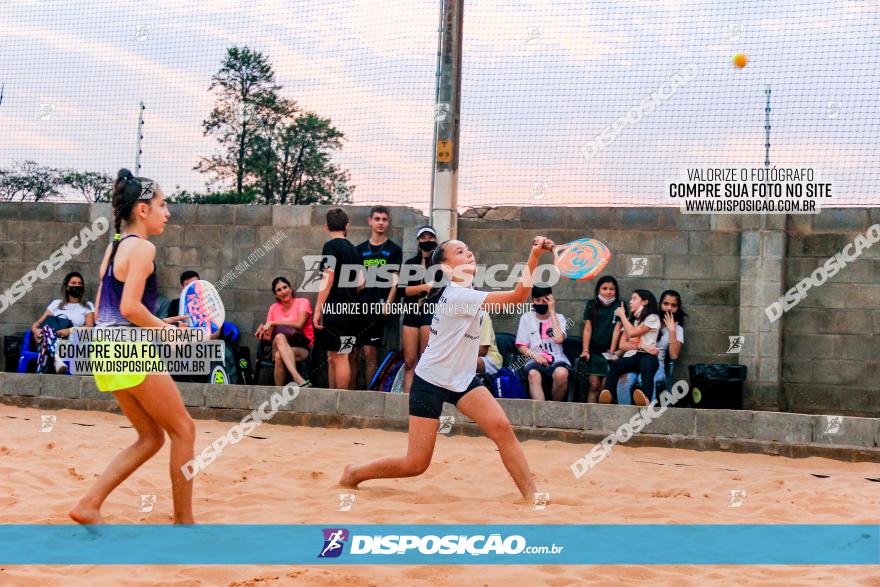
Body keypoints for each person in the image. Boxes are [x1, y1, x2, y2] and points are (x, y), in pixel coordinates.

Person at [339, 236, 554, 501]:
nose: (469, 253)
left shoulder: (468, 291)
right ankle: (355, 472)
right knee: (415, 464)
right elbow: (517, 297)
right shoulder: (458, 295)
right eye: (460, 252)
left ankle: (532, 495)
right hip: (430, 381)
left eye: (468, 249)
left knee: (502, 428)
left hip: (463, 380)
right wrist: (534, 256)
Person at [69, 169, 196, 525]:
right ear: (142, 209)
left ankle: (89, 504)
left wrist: (156, 323)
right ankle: (185, 523)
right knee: (184, 430)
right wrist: (163, 330)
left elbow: (108, 306)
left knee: (151, 437)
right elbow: (128, 308)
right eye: (162, 204)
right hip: (127, 348)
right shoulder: (142, 246)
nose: (167, 212)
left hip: (105, 347)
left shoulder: (114, 247)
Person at [350, 206, 402, 388]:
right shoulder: (359, 249)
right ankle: (350, 394)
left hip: (377, 307)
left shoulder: (394, 250)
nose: (381, 222)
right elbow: (357, 281)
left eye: (384, 219)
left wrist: (388, 303)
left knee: (370, 352)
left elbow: (395, 279)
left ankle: (369, 394)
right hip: (358, 309)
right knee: (351, 352)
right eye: (377, 219)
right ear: (370, 221)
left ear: (388, 223)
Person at [312, 208, 364, 390]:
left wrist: (318, 308)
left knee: (339, 355)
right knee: (336, 355)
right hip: (351, 309)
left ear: (326, 226)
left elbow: (329, 277)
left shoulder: (330, 247)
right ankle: (334, 399)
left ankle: (340, 402)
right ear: (346, 226)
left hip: (335, 308)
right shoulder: (354, 250)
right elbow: (361, 284)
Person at [617, 289, 686, 400]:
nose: (669, 308)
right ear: (660, 305)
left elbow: (674, 356)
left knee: (644, 379)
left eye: (674, 305)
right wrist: (616, 354)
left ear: (678, 308)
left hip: (657, 364)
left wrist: (672, 330)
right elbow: (631, 340)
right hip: (637, 359)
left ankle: (648, 412)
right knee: (624, 380)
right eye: (666, 304)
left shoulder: (678, 329)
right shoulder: (649, 320)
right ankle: (624, 413)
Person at [599, 289, 661, 407]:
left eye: (634, 298)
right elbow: (622, 345)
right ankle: (608, 395)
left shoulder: (652, 317)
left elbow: (632, 333)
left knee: (646, 366)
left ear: (645, 302)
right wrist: (641, 345)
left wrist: (622, 316)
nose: (630, 302)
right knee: (617, 364)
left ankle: (646, 399)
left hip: (649, 357)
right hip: (637, 355)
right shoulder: (631, 320)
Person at [398, 225, 437, 392]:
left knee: (425, 362)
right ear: (418, 240)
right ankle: (406, 402)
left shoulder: (439, 264)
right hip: (412, 313)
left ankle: (423, 402)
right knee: (410, 362)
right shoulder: (410, 263)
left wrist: (426, 290)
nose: (427, 241)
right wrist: (423, 288)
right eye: (423, 237)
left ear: (435, 240)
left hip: (430, 314)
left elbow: (440, 289)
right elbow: (402, 290)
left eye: (430, 237)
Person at [31, 271, 95, 374]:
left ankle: (43, 368)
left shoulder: (88, 305)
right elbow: (36, 324)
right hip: (51, 338)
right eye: (73, 283)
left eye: (80, 283)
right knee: (47, 330)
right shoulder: (57, 304)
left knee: (46, 338)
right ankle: (57, 360)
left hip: (72, 342)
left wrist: (69, 330)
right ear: (67, 287)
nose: (77, 286)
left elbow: (90, 327)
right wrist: (36, 330)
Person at [255, 276, 313, 387]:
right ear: (276, 295)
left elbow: (299, 324)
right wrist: (262, 332)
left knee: (279, 356)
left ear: (290, 288)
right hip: (277, 344)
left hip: (301, 348)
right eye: (279, 290)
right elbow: (268, 335)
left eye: (285, 287)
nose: (283, 291)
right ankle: (298, 379)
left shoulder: (303, 302)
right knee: (279, 337)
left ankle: (279, 391)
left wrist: (273, 322)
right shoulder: (273, 308)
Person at [515, 286, 570, 401]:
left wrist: (552, 311)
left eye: (544, 300)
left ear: (550, 300)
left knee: (562, 374)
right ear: (533, 301)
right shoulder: (526, 318)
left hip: (557, 359)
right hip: (534, 359)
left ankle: (553, 410)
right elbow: (522, 346)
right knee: (533, 374)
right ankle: (541, 411)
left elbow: (559, 339)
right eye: (538, 300)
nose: (541, 303)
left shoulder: (559, 318)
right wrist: (536, 356)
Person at [578, 276, 622, 403]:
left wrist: (612, 352)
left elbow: (617, 329)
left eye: (612, 289)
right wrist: (585, 350)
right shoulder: (591, 304)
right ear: (598, 290)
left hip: (610, 353)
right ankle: (589, 418)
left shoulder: (620, 305)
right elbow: (587, 328)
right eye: (604, 288)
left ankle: (602, 420)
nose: (608, 292)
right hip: (594, 353)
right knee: (593, 386)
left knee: (605, 389)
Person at [477, 310, 503, 377]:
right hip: (462, 356)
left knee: (464, 364)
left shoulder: (482, 315)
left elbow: (482, 351)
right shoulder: (454, 318)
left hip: (488, 358)